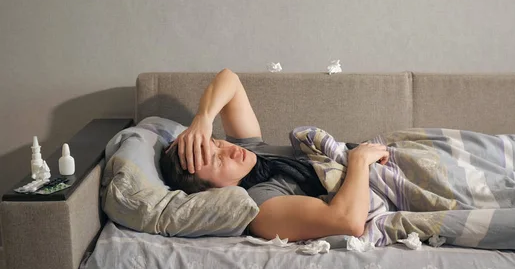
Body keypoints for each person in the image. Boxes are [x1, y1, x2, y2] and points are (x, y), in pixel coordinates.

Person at [159, 68, 389, 241]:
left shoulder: (250, 152)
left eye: (216, 142)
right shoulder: (261, 205)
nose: (229, 149)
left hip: (387, 157)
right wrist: (359, 159)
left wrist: (204, 119)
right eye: (218, 160)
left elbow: (230, 79)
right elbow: (347, 222)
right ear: (211, 190)